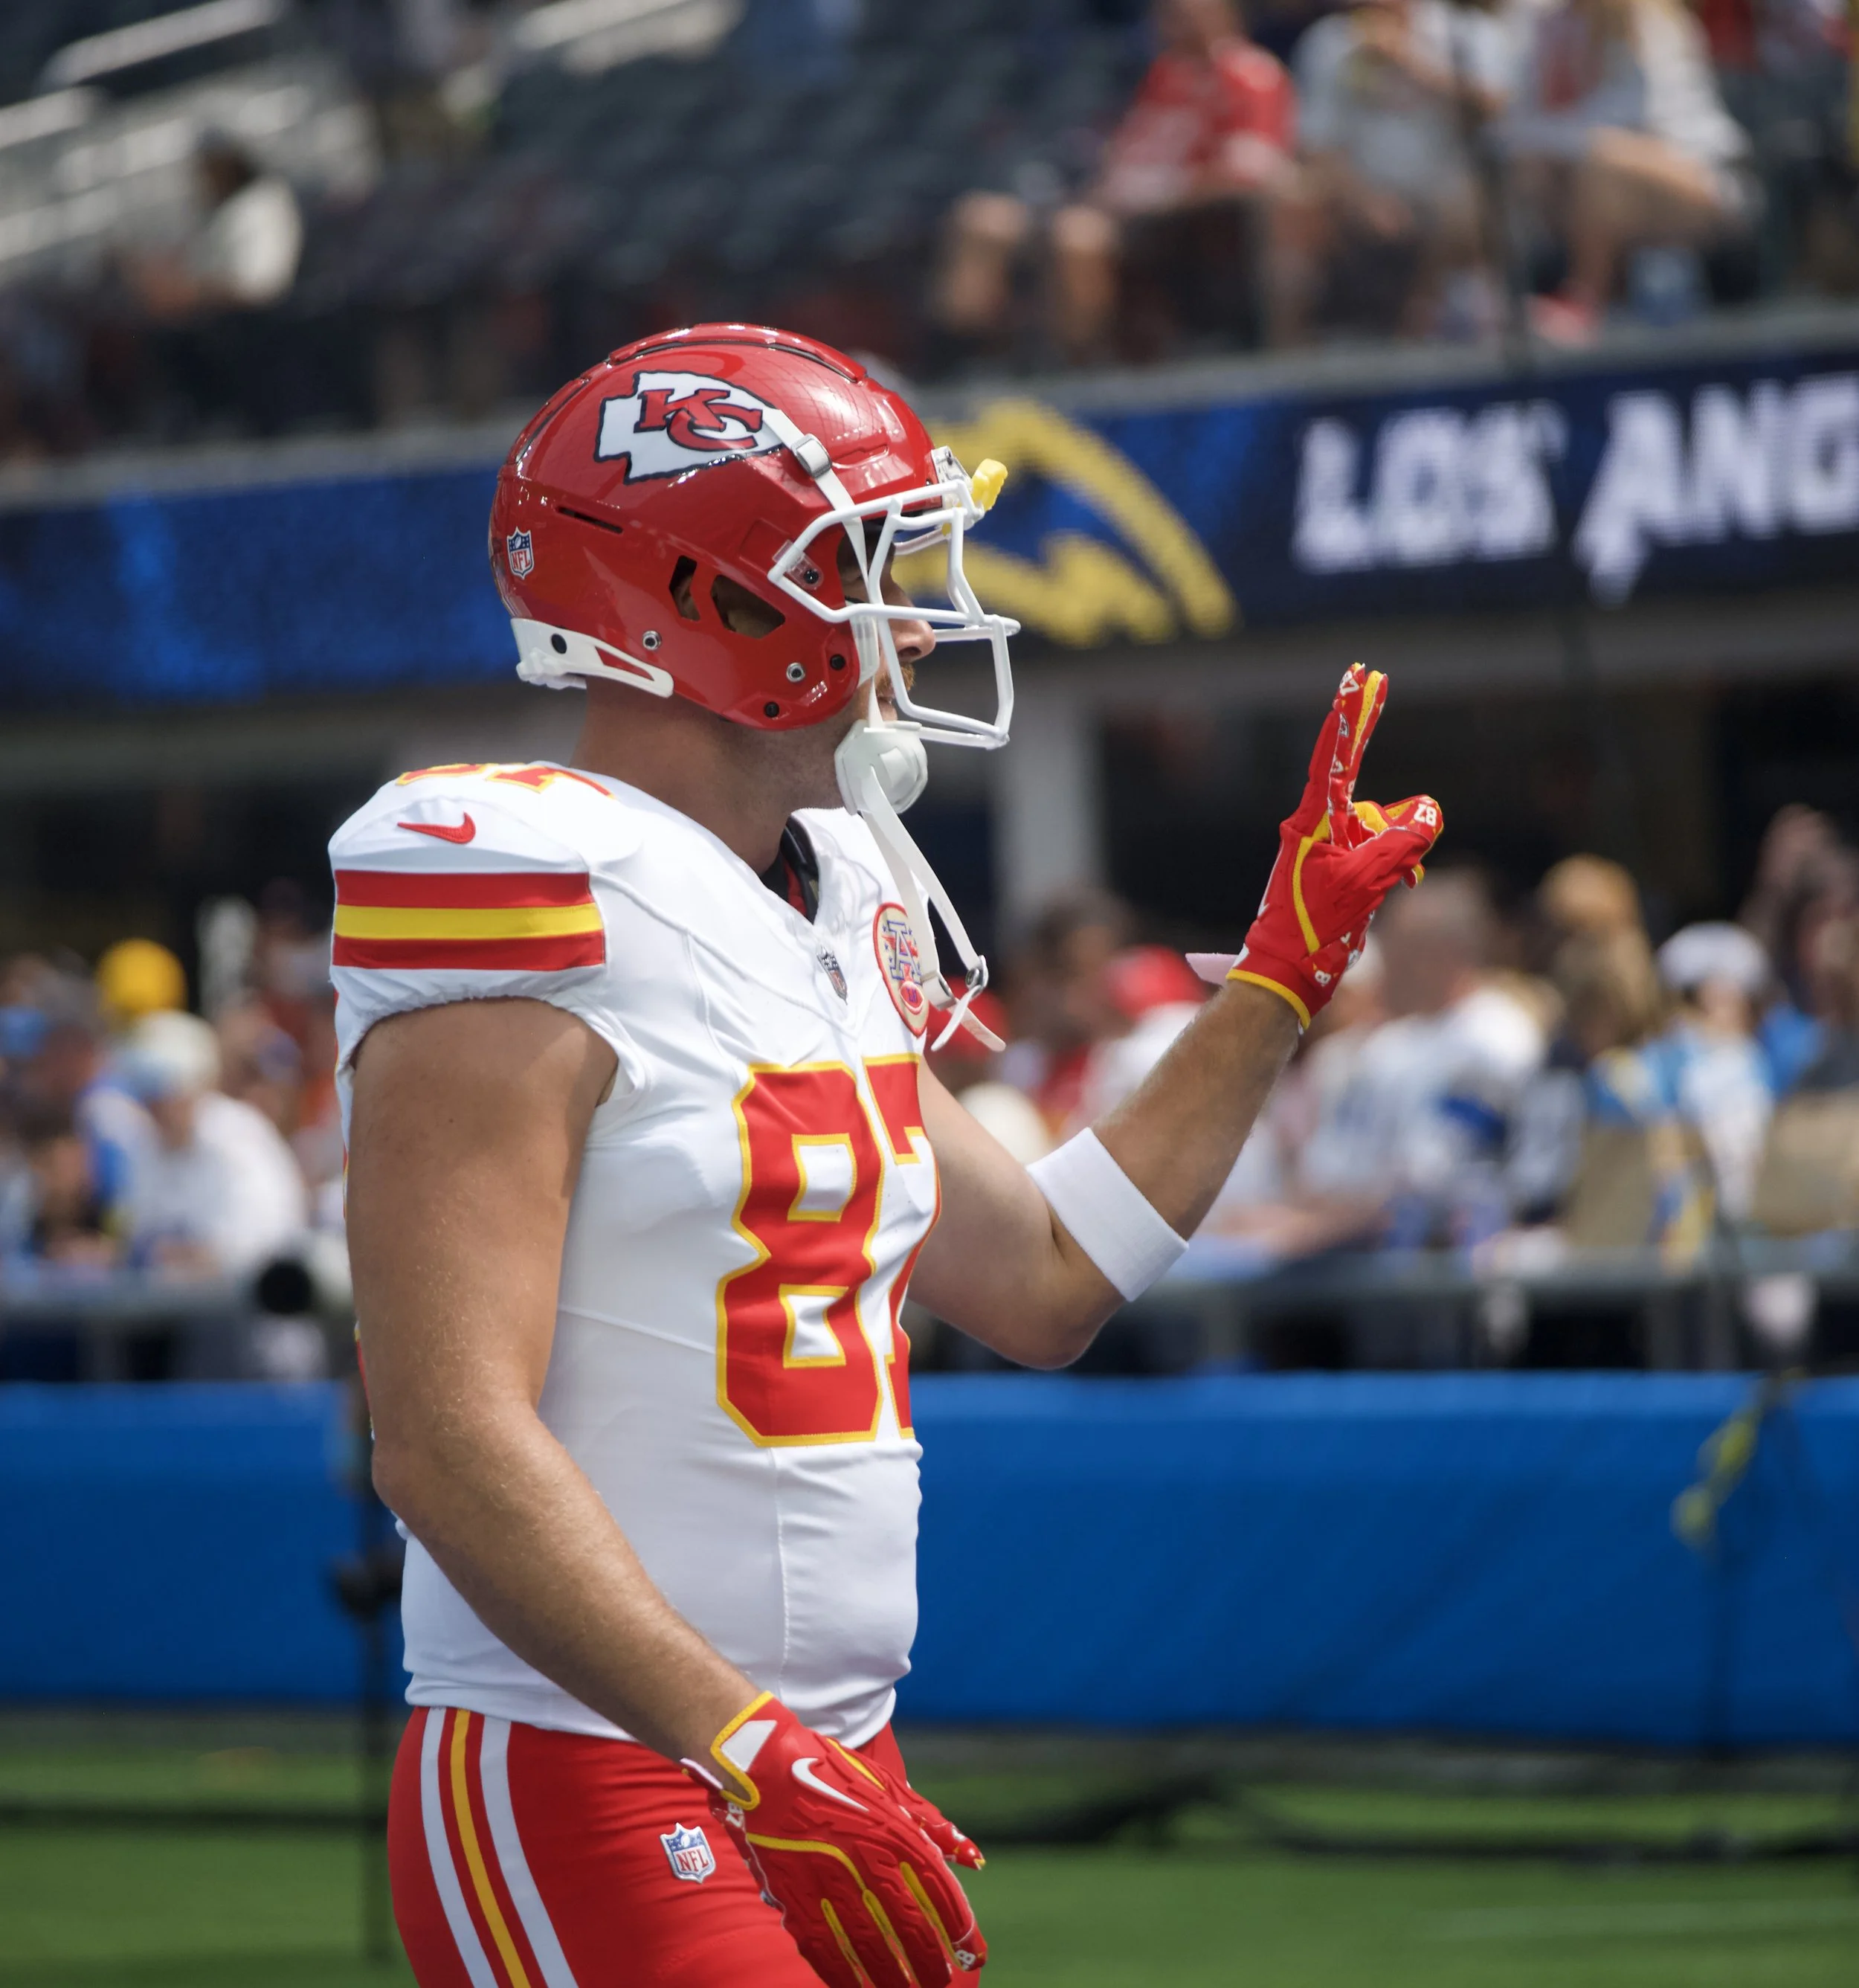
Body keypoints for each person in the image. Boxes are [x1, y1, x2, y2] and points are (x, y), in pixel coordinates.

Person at [334, 324, 1440, 1988]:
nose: (913, 611)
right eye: (863, 561)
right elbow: (442, 1434)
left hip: (829, 1759)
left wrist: (1274, 984)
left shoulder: (831, 889)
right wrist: (738, 1737)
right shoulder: (524, 876)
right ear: (705, 601)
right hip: (590, 1756)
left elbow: (1048, 1281)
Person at [937, 0, 1309, 358]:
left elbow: (1253, 169)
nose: (1172, 24)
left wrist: (1160, 193)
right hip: (1111, 200)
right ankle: (964, 359)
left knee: (1077, 237)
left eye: (1185, 14)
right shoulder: (1165, 73)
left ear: (1222, 15)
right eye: (1168, 14)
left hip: (1170, 222)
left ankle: (1076, 366)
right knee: (982, 219)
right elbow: (1127, 150)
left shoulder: (1250, 75)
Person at [1496, 0, 1753, 343]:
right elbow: (1520, 125)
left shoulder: (1647, 20)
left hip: (1700, 179)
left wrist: (1542, 146)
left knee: (1602, 164)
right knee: (1524, 173)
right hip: (1585, 174)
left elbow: (1619, 128)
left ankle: (1583, 301)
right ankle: (1487, 308)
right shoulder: (1540, 19)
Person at [1293, 0, 1518, 337]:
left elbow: (1493, 115)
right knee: (1293, 201)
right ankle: (1293, 355)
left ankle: (1420, 322)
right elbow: (1317, 144)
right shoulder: (1329, 41)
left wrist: (1410, 61)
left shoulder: (1465, 30)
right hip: (1360, 193)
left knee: (1466, 199)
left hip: (1448, 189)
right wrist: (1364, 199)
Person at [117, 1010, 309, 1277]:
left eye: (165, 1091)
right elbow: (139, 1238)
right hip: (179, 1312)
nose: (156, 1106)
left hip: (257, 1310)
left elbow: (266, 1245)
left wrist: (194, 1255)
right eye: (147, 1092)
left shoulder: (239, 1135)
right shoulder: (146, 1144)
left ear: (196, 1084)